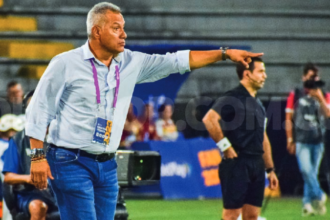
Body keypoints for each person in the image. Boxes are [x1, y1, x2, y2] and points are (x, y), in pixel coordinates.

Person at [25, 2, 263, 220]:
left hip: (107, 164)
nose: (124, 34)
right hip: (70, 160)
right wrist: (37, 157)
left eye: (124, 28)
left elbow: (177, 61)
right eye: (116, 28)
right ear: (97, 31)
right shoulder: (65, 63)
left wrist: (224, 53)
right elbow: (39, 109)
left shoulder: (130, 62)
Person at [202, 58, 278, 220]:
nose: (265, 75)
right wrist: (226, 147)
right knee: (231, 215)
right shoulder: (233, 97)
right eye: (260, 71)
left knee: (252, 215)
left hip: (257, 164)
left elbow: (262, 137)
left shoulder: (259, 105)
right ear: (247, 74)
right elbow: (209, 119)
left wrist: (270, 170)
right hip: (237, 163)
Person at [2, 91, 59, 220]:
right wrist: (30, 178)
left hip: (59, 193)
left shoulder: (60, 139)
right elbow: (8, 178)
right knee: (38, 207)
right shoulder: (19, 139)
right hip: (31, 194)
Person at [285, 63, 329, 216]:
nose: (312, 81)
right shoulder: (296, 94)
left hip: (318, 141)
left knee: (311, 174)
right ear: (304, 77)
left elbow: (328, 114)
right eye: (310, 77)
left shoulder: (324, 94)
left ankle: (307, 204)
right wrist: (290, 139)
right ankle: (319, 195)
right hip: (302, 141)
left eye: (315, 78)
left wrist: (320, 98)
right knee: (306, 170)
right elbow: (288, 117)